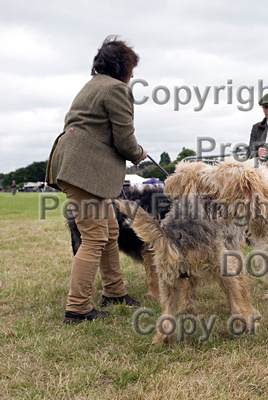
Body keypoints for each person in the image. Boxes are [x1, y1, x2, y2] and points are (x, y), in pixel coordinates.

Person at [46, 36, 147, 324]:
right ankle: (77, 308)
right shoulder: (116, 90)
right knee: (94, 237)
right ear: (124, 68)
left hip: (78, 168)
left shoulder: (92, 85)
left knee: (111, 231)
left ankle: (114, 291)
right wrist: (140, 153)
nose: (132, 77)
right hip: (85, 173)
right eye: (131, 70)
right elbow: (126, 142)